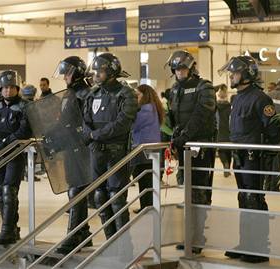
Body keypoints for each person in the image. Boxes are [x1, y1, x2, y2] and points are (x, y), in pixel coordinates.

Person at [218, 55, 280, 263]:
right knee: (244, 199)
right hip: (240, 157)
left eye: (235, 73)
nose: (231, 77)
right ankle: (246, 243)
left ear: (247, 74)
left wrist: (267, 153)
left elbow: (275, 130)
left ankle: (260, 247)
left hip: (254, 158)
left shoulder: (260, 98)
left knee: (255, 200)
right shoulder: (237, 98)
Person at [166, 50, 217, 254]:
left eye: (183, 68)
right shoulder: (175, 89)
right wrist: (175, 138)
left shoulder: (204, 87)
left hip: (201, 146)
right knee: (187, 190)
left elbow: (202, 113)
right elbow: (174, 117)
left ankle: (197, 238)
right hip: (184, 146)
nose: (179, 72)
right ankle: (190, 235)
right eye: (176, 69)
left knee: (200, 191)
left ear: (191, 68)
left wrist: (185, 135)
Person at [83, 53, 138, 239]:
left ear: (112, 71)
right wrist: (88, 134)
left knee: (116, 197)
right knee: (100, 196)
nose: (97, 75)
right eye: (96, 71)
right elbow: (85, 120)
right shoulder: (93, 94)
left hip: (117, 152)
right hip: (96, 152)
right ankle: (110, 242)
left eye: (101, 71)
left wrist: (95, 135)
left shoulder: (126, 93)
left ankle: (124, 246)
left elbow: (123, 123)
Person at [0, 70, 31, 245]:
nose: (8, 91)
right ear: (0, 89)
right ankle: (11, 228)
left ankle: (7, 230)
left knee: (9, 191)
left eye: (11, 87)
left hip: (15, 154)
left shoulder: (24, 107)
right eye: (5, 88)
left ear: (17, 88)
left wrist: (7, 141)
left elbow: (25, 130)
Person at [51, 56, 93, 255]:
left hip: (82, 149)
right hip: (70, 147)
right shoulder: (69, 94)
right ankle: (83, 233)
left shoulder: (86, 93)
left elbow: (87, 122)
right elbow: (64, 121)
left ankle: (74, 234)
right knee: (73, 189)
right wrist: (51, 136)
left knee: (77, 191)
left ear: (76, 72)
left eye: (67, 73)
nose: (64, 77)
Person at [131, 84, 163, 214]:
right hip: (149, 149)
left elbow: (133, 125)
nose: (135, 98)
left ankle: (148, 207)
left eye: (137, 95)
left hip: (145, 149)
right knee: (147, 180)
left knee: (146, 180)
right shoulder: (152, 108)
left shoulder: (146, 109)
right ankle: (146, 206)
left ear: (145, 95)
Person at [216, 84, 232, 177]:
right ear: (226, 95)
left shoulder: (216, 106)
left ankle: (225, 164)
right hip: (228, 131)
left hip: (219, 130)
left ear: (218, 95)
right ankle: (228, 167)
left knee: (221, 150)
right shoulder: (230, 106)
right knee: (228, 150)